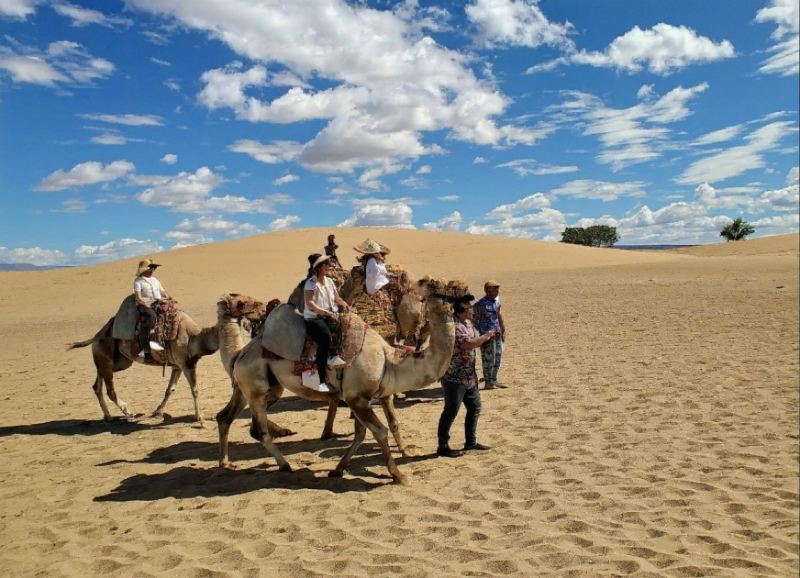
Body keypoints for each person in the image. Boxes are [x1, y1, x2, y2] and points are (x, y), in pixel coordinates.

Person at [436, 294, 496, 458]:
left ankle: (471, 441)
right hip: (454, 377)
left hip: (469, 375)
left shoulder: (468, 323)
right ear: (462, 310)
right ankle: (443, 445)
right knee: (451, 411)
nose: (472, 309)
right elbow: (466, 345)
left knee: (475, 407)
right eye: (469, 307)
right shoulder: (454, 327)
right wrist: (486, 337)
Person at [303, 254, 350, 391]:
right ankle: (321, 380)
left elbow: (336, 298)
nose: (329, 267)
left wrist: (344, 304)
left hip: (330, 315)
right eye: (326, 265)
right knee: (325, 339)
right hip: (314, 318)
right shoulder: (310, 284)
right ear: (319, 267)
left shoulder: (329, 281)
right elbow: (310, 303)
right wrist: (325, 312)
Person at [133, 259, 169, 362]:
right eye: (151, 267)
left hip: (158, 302)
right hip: (145, 304)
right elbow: (138, 298)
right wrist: (147, 305)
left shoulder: (155, 280)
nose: (153, 270)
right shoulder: (138, 281)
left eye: (154, 268)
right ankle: (146, 351)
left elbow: (163, 292)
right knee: (152, 317)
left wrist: (166, 296)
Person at [473, 280, 507, 389]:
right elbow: (474, 319)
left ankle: (494, 379)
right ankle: (488, 382)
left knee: (497, 357)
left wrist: (503, 330)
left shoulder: (496, 302)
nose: (497, 291)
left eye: (497, 289)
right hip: (487, 336)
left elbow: (498, 316)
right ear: (488, 291)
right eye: (495, 289)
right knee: (488, 359)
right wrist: (482, 334)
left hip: (497, 334)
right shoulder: (480, 304)